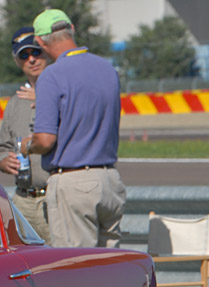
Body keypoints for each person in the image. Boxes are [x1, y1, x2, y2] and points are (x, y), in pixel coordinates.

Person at [21, 8, 125, 248]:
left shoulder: (52, 75)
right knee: (109, 267)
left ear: (39, 41)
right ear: (72, 30)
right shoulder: (107, 70)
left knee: (76, 270)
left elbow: (45, 140)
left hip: (74, 181)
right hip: (110, 179)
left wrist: (27, 145)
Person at [0, 27, 51, 241]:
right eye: (24, 55)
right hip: (23, 199)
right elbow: (3, 146)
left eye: (36, 52)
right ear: (17, 61)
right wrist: (3, 161)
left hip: (54, 197)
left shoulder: (65, 92)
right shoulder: (14, 103)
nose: (31, 59)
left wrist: (43, 97)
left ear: (47, 52)